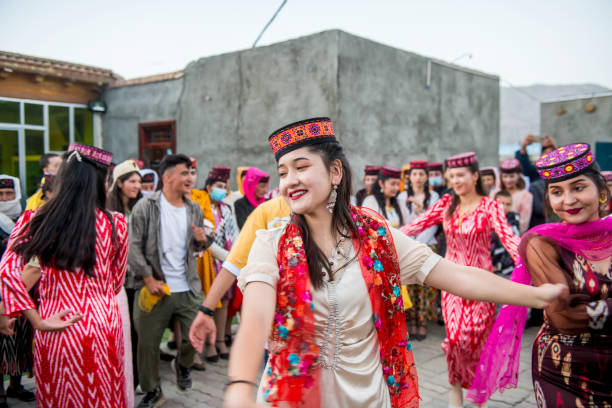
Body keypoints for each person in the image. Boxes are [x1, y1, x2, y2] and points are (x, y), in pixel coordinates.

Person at [223, 118, 563, 408]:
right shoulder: (272, 242)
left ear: (335, 171)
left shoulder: (376, 237)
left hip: (368, 395)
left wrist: (535, 296)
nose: (289, 181)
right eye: (283, 172)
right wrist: (240, 386)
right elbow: (255, 314)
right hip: (291, 397)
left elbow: (454, 274)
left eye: (301, 167)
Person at [468, 143, 611, 407]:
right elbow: (564, 316)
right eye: (557, 192)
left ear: (601, 192)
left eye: (579, 187)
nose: (568, 200)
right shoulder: (542, 243)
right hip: (566, 368)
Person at [0, 143, 128, 408]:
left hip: (55, 325)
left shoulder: (37, 218)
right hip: (103, 325)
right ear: (101, 182)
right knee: (103, 398)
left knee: (59, 398)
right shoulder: (116, 223)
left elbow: (7, 271)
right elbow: (116, 283)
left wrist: (34, 319)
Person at [401, 151, 526, 408]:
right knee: (456, 339)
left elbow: (508, 238)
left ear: (475, 176)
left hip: (482, 286)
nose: (456, 180)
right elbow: (416, 225)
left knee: (476, 339)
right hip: (451, 285)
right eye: (452, 176)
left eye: (461, 175)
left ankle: (478, 393)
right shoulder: (447, 203)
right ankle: (455, 390)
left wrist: (529, 261)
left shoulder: (490, 206)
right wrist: (384, 236)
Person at [129, 154, 209, 408]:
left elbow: (197, 250)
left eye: (191, 173)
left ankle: (182, 365)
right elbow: (133, 247)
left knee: (196, 337)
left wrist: (201, 241)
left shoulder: (194, 208)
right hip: (154, 287)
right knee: (148, 344)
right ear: (167, 177)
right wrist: (148, 278)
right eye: (184, 173)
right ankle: (153, 391)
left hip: (188, 286)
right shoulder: (145, 206)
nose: (190, 178)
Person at [188, 195, 291, 354]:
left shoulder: (339, 214)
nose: (292, 179)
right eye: (283, 173)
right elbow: (234, 263)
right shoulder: (268, 211)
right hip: (276, 334)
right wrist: (206, 311)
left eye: (302, 168)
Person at [106, 159, 143, 405]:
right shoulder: (109, 210)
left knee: (138, 332)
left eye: (139, 181)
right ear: (119, 183)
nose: (137, 186)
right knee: (121, 332)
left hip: (137, 279)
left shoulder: (141, 208)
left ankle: (136, 379)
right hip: (115, 282)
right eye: (132, 181)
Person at [0, 175, 34, 407]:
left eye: (9, 194)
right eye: (0, 195)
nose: (5, 198)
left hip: (22, 286)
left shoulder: (25, 219)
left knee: (20, 339)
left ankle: (16, 384)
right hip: (0, 289)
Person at [397, 160, 440, 340]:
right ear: (409, 176)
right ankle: (412, 321)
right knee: (409, 284)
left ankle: (422, 322)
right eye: (415, 174)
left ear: (427, 176)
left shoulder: (434, 196)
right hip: (407, 243)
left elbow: (432, 223)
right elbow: (403, 221)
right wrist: (410, 240)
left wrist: (419, 242)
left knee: (423, 284)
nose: (418, 178)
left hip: (427, 244)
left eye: (422, 174)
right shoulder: (401, 197)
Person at [200, 166, 238, 362]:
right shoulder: (201, 207)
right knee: (209, 301)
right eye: (218, 185)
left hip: (226, 259)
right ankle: (209, 344)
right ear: (208, 187)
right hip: (208, 258)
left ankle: (221, 340)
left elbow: (233, 234)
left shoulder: (226, 208)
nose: (221, 189)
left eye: (224, 186)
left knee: (224, 302)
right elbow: (205, 237)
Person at [500, 158, 533, 235]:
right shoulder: (495, 193)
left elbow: (524, 224)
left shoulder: (526, 196)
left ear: (518, 176)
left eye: (511, 176)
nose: (508, 180)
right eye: (505, 176)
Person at [490, 190, 520, 276]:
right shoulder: (488, 217)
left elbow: (514, 238)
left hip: (509, 265)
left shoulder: (514, 217)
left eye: (508, 204)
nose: (504, 207)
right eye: (502, 203)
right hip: (491, 264)